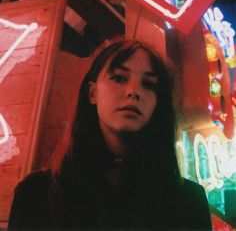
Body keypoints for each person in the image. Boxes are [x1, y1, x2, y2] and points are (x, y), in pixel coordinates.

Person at [8, 38, 212, 230]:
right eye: (119, 78)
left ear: (159, 103)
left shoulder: (188, 202)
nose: (133, 91)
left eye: (149, 84)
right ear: (92, 93)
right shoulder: (36, 194)